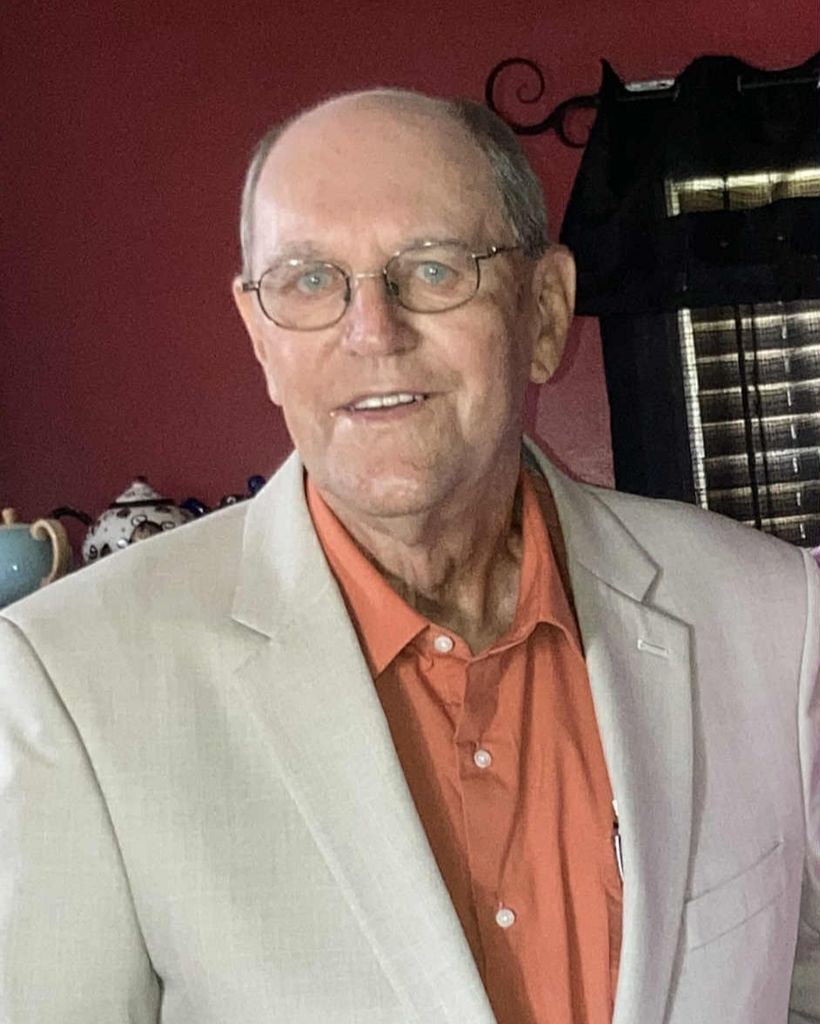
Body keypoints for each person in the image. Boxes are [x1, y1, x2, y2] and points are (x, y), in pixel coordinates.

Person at [0, 89, 817, 1024]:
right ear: (260, 337)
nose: (372, 332)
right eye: (310, 280)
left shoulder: (771, 613)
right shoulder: (72, 683)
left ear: (546, 311)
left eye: (433, 269)